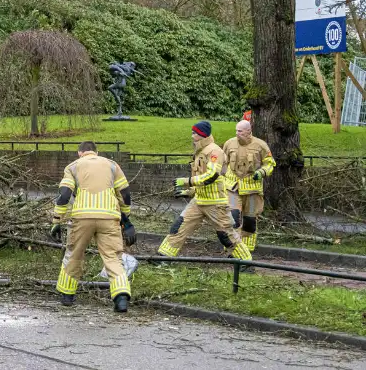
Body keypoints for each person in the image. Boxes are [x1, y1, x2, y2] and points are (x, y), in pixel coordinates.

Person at [50, 141, 137, 312]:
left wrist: (56, 221)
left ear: (79, 153)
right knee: (113, 258)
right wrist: (126, 220)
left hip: (82, 217)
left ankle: (67, 295)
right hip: (109, 217)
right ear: (96, 152)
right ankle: (121, 299)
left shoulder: (73, 167)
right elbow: (125, 193)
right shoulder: (112, 165)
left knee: (74, 254)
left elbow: (64, 194)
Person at [158, 121, 252, 261]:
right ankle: (164, 257)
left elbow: (211, 176)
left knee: (226, 235)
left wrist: (186, 181)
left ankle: (245, 262)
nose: (192, 136)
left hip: (215, 203)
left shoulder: (214, 151)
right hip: (199, 201)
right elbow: (200, 178)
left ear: (202, 135)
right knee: (178, 227)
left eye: (194, 133)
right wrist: (189, 192)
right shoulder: (200, 151)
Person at [222, 119, 274, 257]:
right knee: (233, 218)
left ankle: (247, 249)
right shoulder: (229, 143)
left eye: (240, 131)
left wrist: (261, 172)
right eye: (236, 131)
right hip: (233, 188)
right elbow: (223, 162)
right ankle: (232, 249)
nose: (237, 133)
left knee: (250, 220)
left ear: (248, 131)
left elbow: (270, 164)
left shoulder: (261, 145)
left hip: (252, 190)